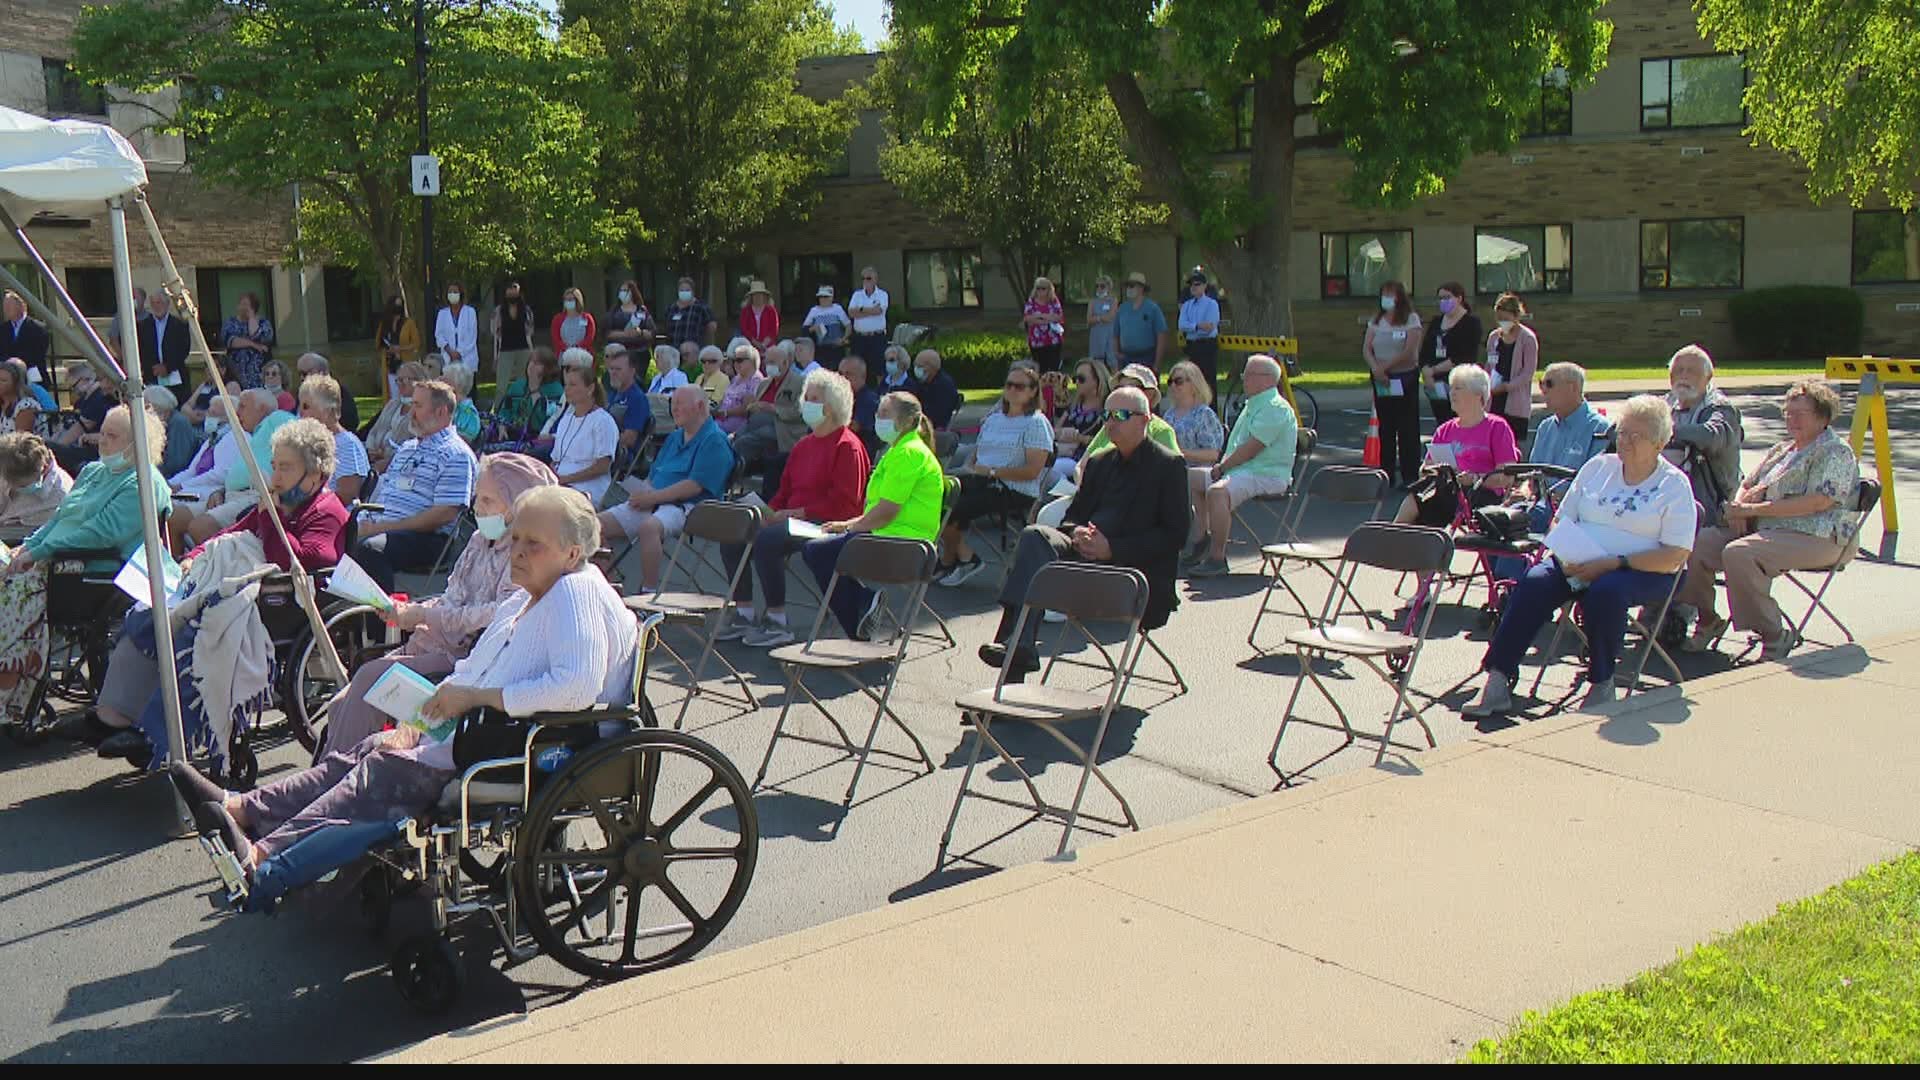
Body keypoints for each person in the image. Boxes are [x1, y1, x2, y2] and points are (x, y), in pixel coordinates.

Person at [169, 485, 636, 882]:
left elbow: (575, 687)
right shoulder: (525, 601)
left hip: (531, 747)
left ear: (573, 552)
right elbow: (476, 668)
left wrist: (472, 697)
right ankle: (241, 809)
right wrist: (429, 712)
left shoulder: (577, 591)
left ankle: (262, 857)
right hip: (478, 732)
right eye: (516, 538)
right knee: (370, 748)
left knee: (380, 773)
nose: (516, 551)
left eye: (533, 544)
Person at [91, 419, 351, 766]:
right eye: (274, 465)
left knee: (196, 632)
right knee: (145, 614)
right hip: (249, 590)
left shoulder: (326, 511)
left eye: (285, 467)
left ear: (316, 475)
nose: (274, 475)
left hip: (285, 604)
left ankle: (157, 731)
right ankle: (115, 714)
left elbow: (304, 560)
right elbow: (231, 533)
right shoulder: (275, 503)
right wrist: (193, 557)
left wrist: (272, 521)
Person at [1465, 395, 1697, 717]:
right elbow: (1562, 518)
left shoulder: (1673, 486)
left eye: (1636, 436)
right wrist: (1565, 551)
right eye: (1622, 432)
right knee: (1534, 582)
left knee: (1606, 591)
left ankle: (1602, 682)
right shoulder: (1598, 468)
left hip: (1644, 568)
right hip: (1580, 559)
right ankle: (1498, 677)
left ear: (1659, 442)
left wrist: (1615, 563)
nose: (1625, 442)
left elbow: (1675, 554)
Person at [315, 453, 557, 754]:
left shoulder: (521, 555)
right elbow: (452, 598)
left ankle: (332, 781)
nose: (477, 508)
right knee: (340, 704)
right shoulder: (480, 540)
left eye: (487, 501)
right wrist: (408, 612)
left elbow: (498, 615)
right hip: (436, 643)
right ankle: (334, 776)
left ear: (516, 505)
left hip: (466, 658)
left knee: (370, 679)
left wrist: (425, 616)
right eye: (477, 498)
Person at [980, 385, 1190, 678]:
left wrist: (1112, 548)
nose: (1110, 422)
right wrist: (1077, 532)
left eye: (1120, 415)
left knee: (1035, 576)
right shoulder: (1100, 463)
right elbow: (1073, 516)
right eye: (1106, 415)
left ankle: (1013, 660)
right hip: (1085, 559)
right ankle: (1019, 647)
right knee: (1034, 536)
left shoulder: (1168, 466)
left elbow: (1175, 535)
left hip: (1133, 575)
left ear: (1145, 420)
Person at [0, 404, 171, 726]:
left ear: (136, 444)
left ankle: (9, 687)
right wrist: (31, 545)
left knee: (11, 589)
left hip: (101, 571)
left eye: (111, 435)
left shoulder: (144, 484)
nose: (101, 441)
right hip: (60, 559)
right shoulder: (94, 471)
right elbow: (62, 518)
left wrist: (40, 553)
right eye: (102, 432)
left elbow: (100, 533)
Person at [1678, 380, 1859, 661]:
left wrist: (1751, 511)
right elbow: (1746, 482)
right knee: (1695, 544)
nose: (1792, 419)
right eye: (1788, 412)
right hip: (1763, 528)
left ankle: (1774, 634)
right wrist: (1738, 507)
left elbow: (1817, 502)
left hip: (1820, 536)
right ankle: (1708, 618)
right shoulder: (1783, 450)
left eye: (1801, 413)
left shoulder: (1835, 452)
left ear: (1823, 417)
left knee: (1740, 554)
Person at [716, 370, 869, 648]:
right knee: (735, 531)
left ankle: (777, 620)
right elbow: (784, 491)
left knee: (767, 540)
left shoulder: (848, 447)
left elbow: (845, 503)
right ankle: (744, 611)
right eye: (806, 397)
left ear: (832, 407)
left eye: (815, 399)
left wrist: (799, 513)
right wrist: (767, 511)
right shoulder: (803, 445)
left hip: (826, 523)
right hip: (791, 518)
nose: (807, 403)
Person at [808, 391, 947, 639]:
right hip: (886, 535)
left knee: (818, 552)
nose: (877, 419)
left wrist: (852, 528)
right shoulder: (897, 450)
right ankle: (864, 607)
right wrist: (845, 525)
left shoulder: (909, 453)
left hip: (904, 545)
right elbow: (878, 509)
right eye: (877, 413)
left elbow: (887, 511)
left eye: (884, 414)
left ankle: (860, 620)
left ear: (905, 421)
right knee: (818, 547)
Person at [598, 385, 732, 591]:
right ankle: (611, 587)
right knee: (593, 526)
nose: (674, 409)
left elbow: (694, 486)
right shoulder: (674, 437)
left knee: (649, 528)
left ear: (700, 406)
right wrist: (642, 492)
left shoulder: (715, 440)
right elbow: (654, 476)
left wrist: (652, 498)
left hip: (689, 507)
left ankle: (648, 593)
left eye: (680, 404)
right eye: (673, 404)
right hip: (654, 500)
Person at [349, 379, 479, 591]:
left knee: (370, 549)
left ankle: (383, 620)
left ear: (441, 411)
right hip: (384, 526)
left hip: (428, 538)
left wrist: (381, 528)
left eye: (418, 405)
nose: (410, 412)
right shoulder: (408, 448)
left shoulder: (456, 454)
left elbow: (444, 515)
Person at [936, 365, 1053, 587]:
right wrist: (971, 468)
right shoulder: (994, 419)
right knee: (937, 494)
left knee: (952, 509)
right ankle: (957, 558)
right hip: (981, 480)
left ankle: (956, 559)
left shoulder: (1037, 423)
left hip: (1014, 489)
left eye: (1019, 386)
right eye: (1009, 385)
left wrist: (992, 472)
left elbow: (1033, 471)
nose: (1012, 390)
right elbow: (976, 455)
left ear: (1032, 392)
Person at [1183, 354, 1298, 578]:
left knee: (1217, 492)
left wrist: (1222, 468)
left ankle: (1217, 558)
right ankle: (1201, 539)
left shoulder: (1275, 408)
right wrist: (1223, 468)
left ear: (1266, 379)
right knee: (1187, 477)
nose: (1243, 378)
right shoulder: (1254, 404)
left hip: (1267, 474)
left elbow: (1251, 449)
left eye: (1248, 374)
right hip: (1241, 470)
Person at [1391, 365, 1518, 526]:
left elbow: (1506, 477)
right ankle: (1390, 542)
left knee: (1445, 502)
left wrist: (1474, 479)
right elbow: (1425, 469)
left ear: (1478, 394)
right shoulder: (1444, 430)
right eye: (1451, 389)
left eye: (1458, 388)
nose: (1452, 393)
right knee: (1413, 499)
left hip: (1481, 496)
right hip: (1448, 491)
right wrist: (1429, 470)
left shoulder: (1497, 427)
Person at [175, 388, 294, 550]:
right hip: (227, 495)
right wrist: (221, 491)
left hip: (256, 496)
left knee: (200, 526)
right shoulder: (251, 436)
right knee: (174, 517)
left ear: (263, 409)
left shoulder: (278, 418)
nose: (237, 412)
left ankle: (214, 570)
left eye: (243, 406)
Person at [1663, 344, 1744, 526]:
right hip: (1665, 494)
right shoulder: (1665, 404)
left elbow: (1710, 436)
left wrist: (1659, 431)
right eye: (1678, 370)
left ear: (1708, 378)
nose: (1683, 376)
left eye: (1692, 371)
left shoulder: (1721, 409)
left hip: (1712, 504)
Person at [1365, 280, 1423, 489]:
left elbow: (1409, 350)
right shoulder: (1377, 319)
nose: (1386, 298)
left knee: (1407, 427)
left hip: (1404, 376)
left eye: (1391, 294)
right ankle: (1386, 473)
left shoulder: (1411, 319)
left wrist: (1387, 366)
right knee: (1386, 427)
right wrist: (1376, 369)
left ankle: (1410, 475)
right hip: (1381, 379)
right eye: (1384, 294)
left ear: (1400, 296)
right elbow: (1367, 348)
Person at [541, 363, 619, 506]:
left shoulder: (603, 421)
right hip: (560, 484)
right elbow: (555, 459)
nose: (567, 389)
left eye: (573, 385)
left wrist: (566, 479)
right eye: (566, 385)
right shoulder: (566, 419)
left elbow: (602, 467)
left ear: (590, 388)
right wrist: (552, 477)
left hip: (589, 490)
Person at [1417, 282, 1483, 426]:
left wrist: (1435, 369)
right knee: (1442, 422)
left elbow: (1465, 355)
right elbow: (1425, 351)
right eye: (1440, 298)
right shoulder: (1436, 322)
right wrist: (1426, 371)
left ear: (1459, 299)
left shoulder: (1471, 323)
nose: (1443, 301)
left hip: (1458, 381)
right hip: (1435, 383)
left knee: (1460, 422)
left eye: (1447, 297)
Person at [298, 374, 369, 503]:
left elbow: (348, 494)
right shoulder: (314, 444)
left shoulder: (347, 444)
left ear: (329, 411)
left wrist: (311, 508)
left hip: (334, 516)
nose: (300, 413)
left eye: (306, 407)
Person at [169, 386, 241, 502]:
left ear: (227, 418)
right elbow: (191, 471)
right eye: (208, 412)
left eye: (213, 413)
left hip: (213, 492)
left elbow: (220, 474)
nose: (207, 416)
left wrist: (182, 486)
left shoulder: (233, 438)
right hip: (195, 487)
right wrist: (169, 484)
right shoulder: (212, 438)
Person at [1048, 360, 1112, 488]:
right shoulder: (1074, 407)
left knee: (1051, 471)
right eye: (1075, 378)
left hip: (1085, 459)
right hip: (1065, 453)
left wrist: (1080, 438)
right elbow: (1054, 431)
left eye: (1081, 379)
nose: (1076, 382)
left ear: (1097, 381)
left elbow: (1109, 441)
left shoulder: (1106, 409)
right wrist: (1060, 434)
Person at [1485, 292, 1540, 441]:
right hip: (1494, 401)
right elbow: (1489, 365)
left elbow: (1528, 372)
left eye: (1506, 318)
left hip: (1515, 402)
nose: (1502, 322)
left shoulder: (1527, 338)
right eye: (1499, 318)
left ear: (1516, 316)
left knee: (1513, 445)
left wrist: (1507, 386)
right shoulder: (1494, 337)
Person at [48, 361, 116, 474]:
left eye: (74, 386)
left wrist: (54, 447)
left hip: (96, 451)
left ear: (85, 379)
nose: (74, 391)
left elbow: (75, 431)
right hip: (88, 446)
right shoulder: (84, 400)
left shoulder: (98, 399)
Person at [0, 432, 71, 537]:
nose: (12, 487)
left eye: (21, 486)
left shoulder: (60, 499)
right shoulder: (6, 464)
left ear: (43, 468)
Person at [1163, 358, 1225, 468]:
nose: (1173, 385)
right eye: (1170, 382)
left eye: (1178, 381)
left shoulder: (1204, 414)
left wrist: (1181, 453)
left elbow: (1214, 454)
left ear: (1194, 384)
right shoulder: (1168, 414)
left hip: (1199, 474)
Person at [365, 361, 427, 469]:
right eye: (398, 380)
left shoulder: (422, 409)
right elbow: (374, 431)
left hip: (399, 463)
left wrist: (386, 456)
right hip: (375, 458)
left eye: (405, 380)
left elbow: (413, 443)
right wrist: (371, 449)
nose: (400, 384)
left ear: (419, 381)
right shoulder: (393, 404)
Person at [495, 346, 564, 443]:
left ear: (548, 368)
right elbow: (505, 410)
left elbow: (549, 421)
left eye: (537, 363)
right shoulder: (517, 386)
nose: (531, 365)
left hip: (539, 439)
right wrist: (501, 426)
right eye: (531, 361)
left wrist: (535, 391)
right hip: (512, 435)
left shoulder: (555, 391)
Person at [602, 344, 653, 465]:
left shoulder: (637, 399)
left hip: (620, 455)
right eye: (611, 369)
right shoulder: (611, 394)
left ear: (632, 371)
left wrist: (598, 441)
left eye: (618, 369)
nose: (613, 373)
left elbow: (629, 439)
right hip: (602, 449)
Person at [139, 289, 192, 405]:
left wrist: (167, 367)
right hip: (152, 376)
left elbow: (184, 349)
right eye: (153, 303)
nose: (156, 306)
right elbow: (141, 350)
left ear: (167, 304)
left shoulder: (179, 325)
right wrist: (153, 367)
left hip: (175, 377)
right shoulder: (143, 326)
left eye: (159, 303)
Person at [1176, 270, 1222, 397]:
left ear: (1204, 286)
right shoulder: (1186, 305)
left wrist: (1192, 326)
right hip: (1192, 346)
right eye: (1191, 285)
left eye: (1197, 284)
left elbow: (1209, 327)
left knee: (1209, 381)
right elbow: (1182, 325)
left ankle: (1211, 411)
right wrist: (1197, 326)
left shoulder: (1211, 304)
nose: (1193, 287)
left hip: (1207, 346)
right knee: (1193, 382)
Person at [1113, 271, 1168, 372]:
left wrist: (1157, 363)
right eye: (1127, 286)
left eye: (1132, 286)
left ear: (1141, 288)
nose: (1128, 289)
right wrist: (1117, 353)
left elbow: (1161, 335)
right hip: (1126, 358)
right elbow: (1115, 333)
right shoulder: (1122, 309)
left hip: (1147, 357)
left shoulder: (1153, 308)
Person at [221, 292, 275, 389]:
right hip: (235, 372)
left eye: (246, 305)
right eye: (241, 304)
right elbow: (231, 341)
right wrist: (254, 345)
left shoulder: (263, 323)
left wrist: (251, 317)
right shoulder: (230, 323)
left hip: (258, 373)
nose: (243, 307)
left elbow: (256, 335)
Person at [373, 296, 422, 404]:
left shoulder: (409, 323)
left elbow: (416, 343)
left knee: (406, 395)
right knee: (393, 396)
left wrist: (400, 349)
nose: (398, 308)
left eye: (400, 305)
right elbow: (378, 343)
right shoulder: (384, 324)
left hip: (404, 363)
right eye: (396, 305)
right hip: (390, 364)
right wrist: (388, 349)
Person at [295, 352, 359, 432]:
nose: (301, 378)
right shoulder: (302, 394)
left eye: (305, 373)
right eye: (299, 374)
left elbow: (351, 423)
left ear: (323, 372)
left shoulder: (338, 393)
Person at [492, 281, 536, 394]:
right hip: (505, 350)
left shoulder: (526, 311)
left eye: (515, 292)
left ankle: (524, 409)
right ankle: (498, 410)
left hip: (523, 350)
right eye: (510, 292)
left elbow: (530, 331)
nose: (512, 295)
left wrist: (532, 353)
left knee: (524, 384)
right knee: (501, 386)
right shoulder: (499, 311)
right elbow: (495, 334)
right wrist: (496, 356)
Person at [1, 291, 51, 388]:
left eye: (9, 305)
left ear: (21, 306)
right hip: (9, 381)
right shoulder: (3, 329)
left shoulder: (38, 328)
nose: (5, 309)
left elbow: (38, 354)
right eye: (4, 305)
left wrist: (17, 365)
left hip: (33, 378)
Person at [846, 267, 890, 374]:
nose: (865, 281)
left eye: (868, 278)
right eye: (863, 278)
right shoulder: (857, 295)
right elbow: (851, 313)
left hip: (877, 338)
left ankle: (880, 391)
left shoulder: (883, 294)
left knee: (879, 369)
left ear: (875, 279)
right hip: (860, 339)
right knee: (857, 370)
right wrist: (869, 310)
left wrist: (860, 310)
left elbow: (878, 311)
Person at [715, 342, 765, 436]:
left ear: (752, 361)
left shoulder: (756, 380)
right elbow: (725, 399)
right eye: (734, 360)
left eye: (739, 360)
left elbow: (747, 409)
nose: (735, 363)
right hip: (721, 420)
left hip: (738, 425)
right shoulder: (736, 378)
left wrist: (726, 412)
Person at [840, 352, 882, 459]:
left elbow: (854, 427)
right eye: (840, 373)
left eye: (848, 374)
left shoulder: (869, 400)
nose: (843, 378)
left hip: (861, 456)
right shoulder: (841, 397)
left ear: (862, 376)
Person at [906, 348, 960, 431]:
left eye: (920, 366)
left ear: (932, 367)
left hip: (934, 428)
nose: (916, 369)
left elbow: (938, 414)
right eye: (915, 366)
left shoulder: (943, 385)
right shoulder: (923, 382)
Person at [1022, 276, 1067, 374]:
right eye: (1038, 288)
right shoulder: (1031, 302)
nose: (1040, 291)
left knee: (1053, 368)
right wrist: (1047, 318)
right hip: (1037, 341)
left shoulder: (1054, 301)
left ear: (1049, 289)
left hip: (1053, 340)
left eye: (1043, 288)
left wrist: (1040, 316)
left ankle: (1053, 388)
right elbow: (1028, 318)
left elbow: (1058, 317)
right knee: (1040, 368)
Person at [803, 285, 851, 370]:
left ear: (831, 297)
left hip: (836, 348)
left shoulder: (838, 309)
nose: (823, 299)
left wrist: (843, 338)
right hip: (821, 349)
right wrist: (814, 328)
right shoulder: (814, 310)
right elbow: (805, 329)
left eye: (826, 296)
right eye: (820, 297)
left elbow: (848, 325)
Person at [603, 279, 653, 360]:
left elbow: (652, 333)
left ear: (632, 293)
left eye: (625, 290)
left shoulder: (642, 311)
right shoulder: (614, 311)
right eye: (621, 290)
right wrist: (625, 334)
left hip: (639, 353)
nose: (622, 293)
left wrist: (640, 332)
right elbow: (607, 333)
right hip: (618, 353)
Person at [434, 282, 478, 373]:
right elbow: (439, 335)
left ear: (460, 294)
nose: (452, 294)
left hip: (467, 358)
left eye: (455, 292)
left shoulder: (470, 312)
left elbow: (472, 336)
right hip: (448, 358)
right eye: (450, 292)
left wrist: (459, 353)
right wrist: (450, 352)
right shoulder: (442, 313)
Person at [665, 275, 717, 349]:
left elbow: (712, 327)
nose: (684, 292)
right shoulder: (671, 308)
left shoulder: (701, 307)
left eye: (687, 290)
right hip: (673, 351)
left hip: (694, 351)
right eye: (682, 290)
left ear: (693, 291)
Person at [441, 362, 483, 444]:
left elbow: (466, 440)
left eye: (445, 381)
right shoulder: (447, 406)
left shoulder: (468, 412)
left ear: (456, 387)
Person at [550, 286, 597, 357]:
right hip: (563, 355)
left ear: (577, 301)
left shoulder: (587, 318)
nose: (568, 302)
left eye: (570, 299)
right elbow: (555, 338)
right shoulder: (557, 319)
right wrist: (567, 348)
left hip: (583, 355)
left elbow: (590, 337)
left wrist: (577, 347)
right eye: (566, 299)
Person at [1084, 275, 1118, 370]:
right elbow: (1089, 320)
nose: (1099, 289)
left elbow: (1110, 317)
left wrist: (1096, 318)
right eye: (1097, 286)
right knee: (1097, 364)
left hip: (1109, 335)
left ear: (1108, 287)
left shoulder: (1113, 301)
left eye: (1102, 286)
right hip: (1096, 335)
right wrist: (1101, 318)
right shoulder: (1092, 302)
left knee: (1112, 362)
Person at [738, 279, 779, 353]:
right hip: (749, 345)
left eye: (760, 294)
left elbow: (774, 330)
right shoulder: (745, 311)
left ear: (764, 296)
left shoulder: (771, 310)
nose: (758, 297)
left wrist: (764, 344)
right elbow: (744, 329)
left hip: (768, 345)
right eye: (755, 295)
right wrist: (756, 344)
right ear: (751, 297)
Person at [0, 358, 39, 434]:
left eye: (3, 380)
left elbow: (21, 440)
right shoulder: (2, 403)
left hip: (21, 444)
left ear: (15, 384)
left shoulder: (25, 406)